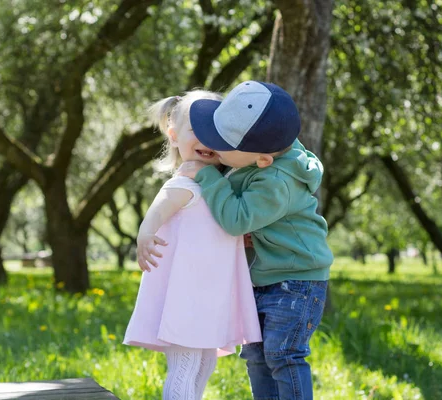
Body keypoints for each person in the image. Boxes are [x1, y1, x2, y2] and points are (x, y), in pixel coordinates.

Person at [173, 81, 334, 400]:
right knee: (257, 357)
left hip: (296, 282)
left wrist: (207, 176)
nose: (210, 143)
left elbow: (237, 220)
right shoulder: (265, 155)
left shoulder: (276, 180)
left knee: (283, 355)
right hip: (268, 278)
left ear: (262, 159)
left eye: (221, 142)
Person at [123, 90, 262, 400]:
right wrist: (145, 233)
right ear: (173, 135)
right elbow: (158, 210)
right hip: (186, 297)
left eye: (216, 134)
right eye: (196, 131)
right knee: (185, 366)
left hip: (209, 296)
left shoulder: (216, 187)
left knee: (205, 364)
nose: (206, 140)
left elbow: (215, 225)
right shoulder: (184, 183)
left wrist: (239, 236)